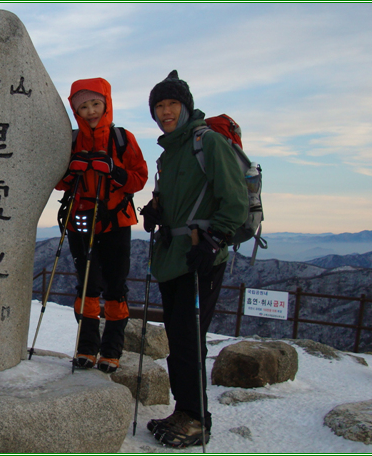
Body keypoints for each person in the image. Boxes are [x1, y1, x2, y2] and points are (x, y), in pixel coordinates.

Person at [140, 70, 248, 448]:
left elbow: (233, 200)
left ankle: (198, 419)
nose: (165, 112)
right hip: (172, 257)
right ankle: (184, 410)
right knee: (180, 339)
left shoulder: (208, 143)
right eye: (159, 106)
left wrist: (215, 239)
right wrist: (154, 212)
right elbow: (176, 201)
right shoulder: (169, 152)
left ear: (185, 106)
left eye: (171, 104)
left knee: (189, 340)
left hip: (200, 258)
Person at [56, 77, 148, 373]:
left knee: (115, 287)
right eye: (83, 106)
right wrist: (73, 171)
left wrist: (114, 171)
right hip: (79, 222)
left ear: (106, 103)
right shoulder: (69, 140)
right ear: (75, 110)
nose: (91, 111)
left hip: (116, 221)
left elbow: (139, 178)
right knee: (87, 286)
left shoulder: (122, 138)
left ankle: (111, 351)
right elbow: (57, 182)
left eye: (96, 103)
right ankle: (86, 349)